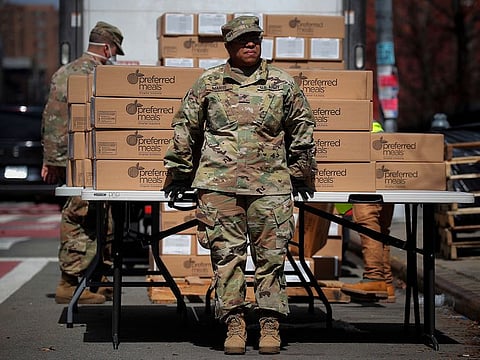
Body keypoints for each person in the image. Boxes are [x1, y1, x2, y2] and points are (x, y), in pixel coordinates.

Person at [163, 16, 316, 355]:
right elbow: (185, 128)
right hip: (219, 187)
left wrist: (301, 171)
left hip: (271, 186)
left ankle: (270, 324)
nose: (251, 44)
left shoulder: (281, 83)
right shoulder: (209, 84)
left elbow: (302, 127)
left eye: (255, 39)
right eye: (243, 39)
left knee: (271, 259)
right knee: (227, 258)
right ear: (229, 45)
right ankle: (234, 323)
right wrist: (179, 173)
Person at [41, 21, 125, 304]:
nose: (112, 55)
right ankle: (69, 283)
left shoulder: (65, 72)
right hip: (90, 161)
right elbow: (58, 120)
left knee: (103, 218)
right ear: (106, 47)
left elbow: (51, 120)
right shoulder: (98, 75)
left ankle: (97, 280)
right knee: (82, 216)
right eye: (113, 50)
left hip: (83, 161)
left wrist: (52, 159)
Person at [341, 121, 396, 303]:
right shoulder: (371, 122)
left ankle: (374, 278)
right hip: (388, 169)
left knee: (367, 224)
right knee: (381, 229)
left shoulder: (348, 123)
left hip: (367, 168)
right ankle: (387, 284)